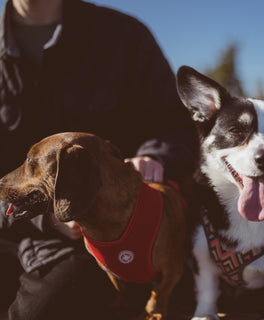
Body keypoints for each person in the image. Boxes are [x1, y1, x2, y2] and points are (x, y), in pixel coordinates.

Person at [0, 0, 198, 319]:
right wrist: (42, 217)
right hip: (13, 230)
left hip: (103, 245)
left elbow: (179, 127)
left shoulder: (124, 37)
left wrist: (155, 157)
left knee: (38, 312)